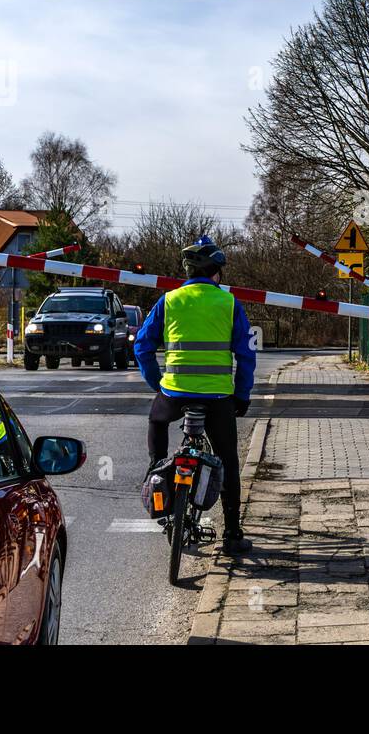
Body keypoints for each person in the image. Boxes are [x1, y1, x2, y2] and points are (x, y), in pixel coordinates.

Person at [134, 236, 256, 555]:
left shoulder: (169, 301)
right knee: (227, 459)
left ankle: (155, 469)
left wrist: (157, 383)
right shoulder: (229, 303)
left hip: (174, 393)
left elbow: (142, 346)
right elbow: (246, 355)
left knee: (157, 422)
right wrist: (242, 395)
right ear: (216, 272)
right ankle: (232, 534)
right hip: (218, 398)